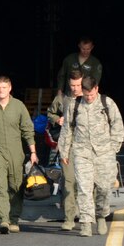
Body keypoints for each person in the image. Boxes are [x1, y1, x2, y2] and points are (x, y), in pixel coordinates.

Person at [57, 76, 124, 238]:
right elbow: (67, 129)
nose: (89, 98)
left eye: (91, 94)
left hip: (104, 153)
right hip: (82, 153)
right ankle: (86, 224)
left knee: (104, 187)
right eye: (86, 95)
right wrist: (64, 151)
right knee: (84, 189)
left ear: (96, 89)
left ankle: (101, 214)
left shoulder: (107, 103)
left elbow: (117, 125)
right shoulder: (75, 105)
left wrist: (113, 148)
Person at [0, 76, 37, 234]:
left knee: (16, 185)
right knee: (0, 185)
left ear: (10, 88)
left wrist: (33, 152)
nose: (1, 91)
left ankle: (14, 218)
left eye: (4, 88)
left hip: (15, 152)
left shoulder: (18, 106)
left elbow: (27, 129)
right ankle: (3, 219)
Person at [47, 69, 84, 230]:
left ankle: (87, 214)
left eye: (78, 85)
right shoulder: (62, 98)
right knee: (69, 182)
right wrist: (57, 119)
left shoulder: (89, 99)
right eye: (72, 85)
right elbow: (49, 113)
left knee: (86, 183)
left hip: (85, 147)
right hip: (67, 146)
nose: (75, 88)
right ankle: (69, 218)